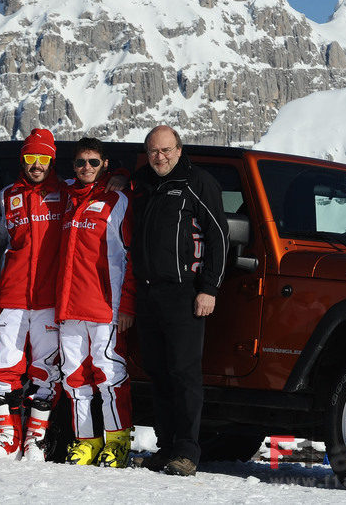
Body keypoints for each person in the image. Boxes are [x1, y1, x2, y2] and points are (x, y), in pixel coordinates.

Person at [130, 125, 228, 477]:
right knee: (157, 373)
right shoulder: (141, 182)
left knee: (184, 374)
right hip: (148, 292)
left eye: (167, 150)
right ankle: (166, 447)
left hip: (185, 292)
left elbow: (218, 235)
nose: (161, 157)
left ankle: (186, 451)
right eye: (155, 151)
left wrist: (209, 288)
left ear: (179, 150)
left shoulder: (196, 182)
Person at [0, 128, 64, 461]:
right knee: (4, 366)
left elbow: (100, 186)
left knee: (45, 370)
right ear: (23, 159)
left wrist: (118, 175)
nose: (36, 165)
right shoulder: (7, 195)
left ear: (52, 160)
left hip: (49, 298)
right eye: (31, 158)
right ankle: (7, 437)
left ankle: (36, 439)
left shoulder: (66, 194)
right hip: (13, 295)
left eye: (43, 158)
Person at [56, 137, 135, 467]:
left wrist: (127, 305)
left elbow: (132, 256)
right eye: (80, 162)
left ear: (104, 164)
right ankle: (85, 441)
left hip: (104, 305)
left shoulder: (117, 199)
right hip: (67, 305)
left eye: (93, 162)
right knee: (73, 377)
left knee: (109, 373)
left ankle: (117, 442)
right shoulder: (64, 197)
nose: (85, 168)